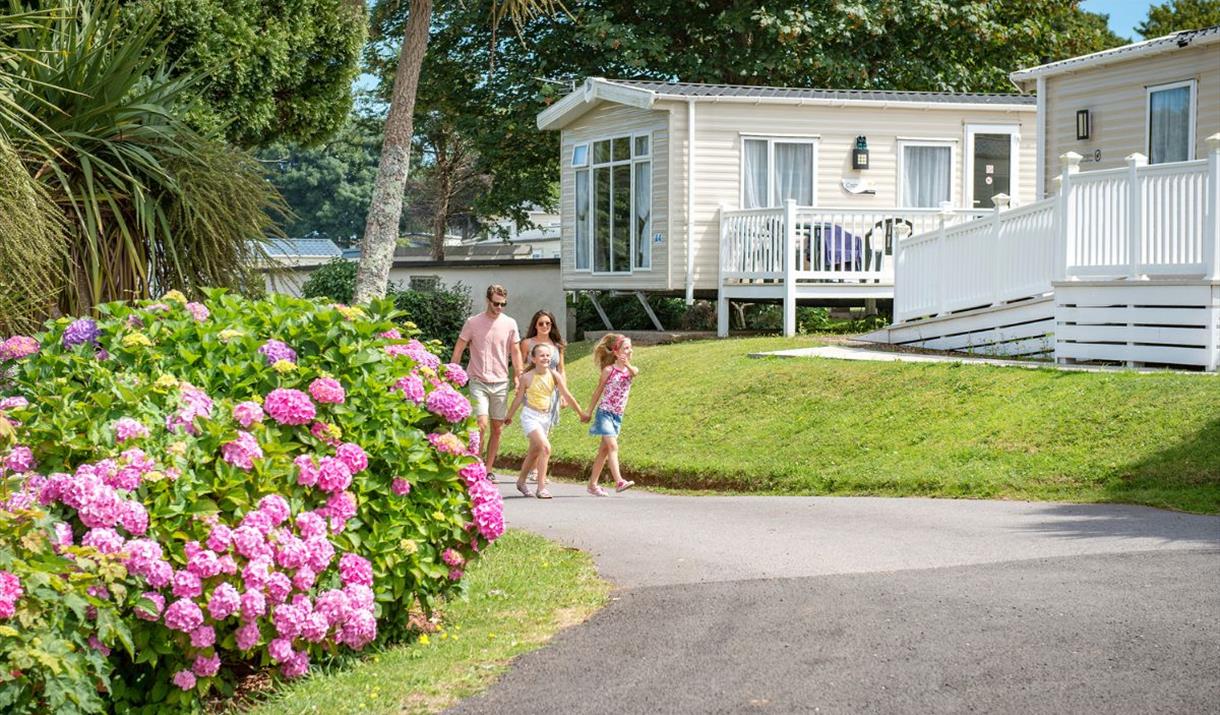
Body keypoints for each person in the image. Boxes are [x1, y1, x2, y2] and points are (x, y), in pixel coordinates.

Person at [451, 285, 522, 479]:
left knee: (497, 429)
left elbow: (515, 352)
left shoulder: (510, 324)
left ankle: (488, 469)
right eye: (496, 303)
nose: (499, 307)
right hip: (478, 380)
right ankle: (476, 464)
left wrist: (518, 376)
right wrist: (452, 374)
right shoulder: (473, 322)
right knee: (481, 424)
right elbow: (459, 348)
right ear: (488, 301)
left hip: (500, 382)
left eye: (503, 304)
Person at [504, 343, 586, 500]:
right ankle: (541, 488)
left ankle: (521, 482)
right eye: (541, 355)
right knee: (546, 448)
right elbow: (518, 399)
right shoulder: (526, 377)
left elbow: (567, 395)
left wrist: (580, 413)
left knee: (534, 452)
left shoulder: (555, 375)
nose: (546, 358)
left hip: (545, 418)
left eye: (548, 355)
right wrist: (509, 416)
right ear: (533, 359)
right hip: (530, 417)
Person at [582, 333, 637, 497]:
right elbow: (598, 391)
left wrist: (626, 364)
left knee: (604, 451)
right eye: (625, 348)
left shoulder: (630, 370)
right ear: (616, 351)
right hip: (604, 413)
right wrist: (589, 411)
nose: (629, 350)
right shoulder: (608, 370)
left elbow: (634, 372)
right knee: (613, 446)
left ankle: (592, 484)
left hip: (617, 416)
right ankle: (619, 481)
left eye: (630, 348)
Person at [519, 310, 565, 481]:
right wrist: (520, 383)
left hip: (552, 392)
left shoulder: (557, 345)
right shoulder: (527, 343)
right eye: (541, 323)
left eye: (548, 323)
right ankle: (536, 472)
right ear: (535, 325)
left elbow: (562, 370)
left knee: (546, 432)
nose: (545, 326)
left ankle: (533, 469)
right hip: (533, 390)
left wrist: (563, 394)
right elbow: (521, 365)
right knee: (538, 434)